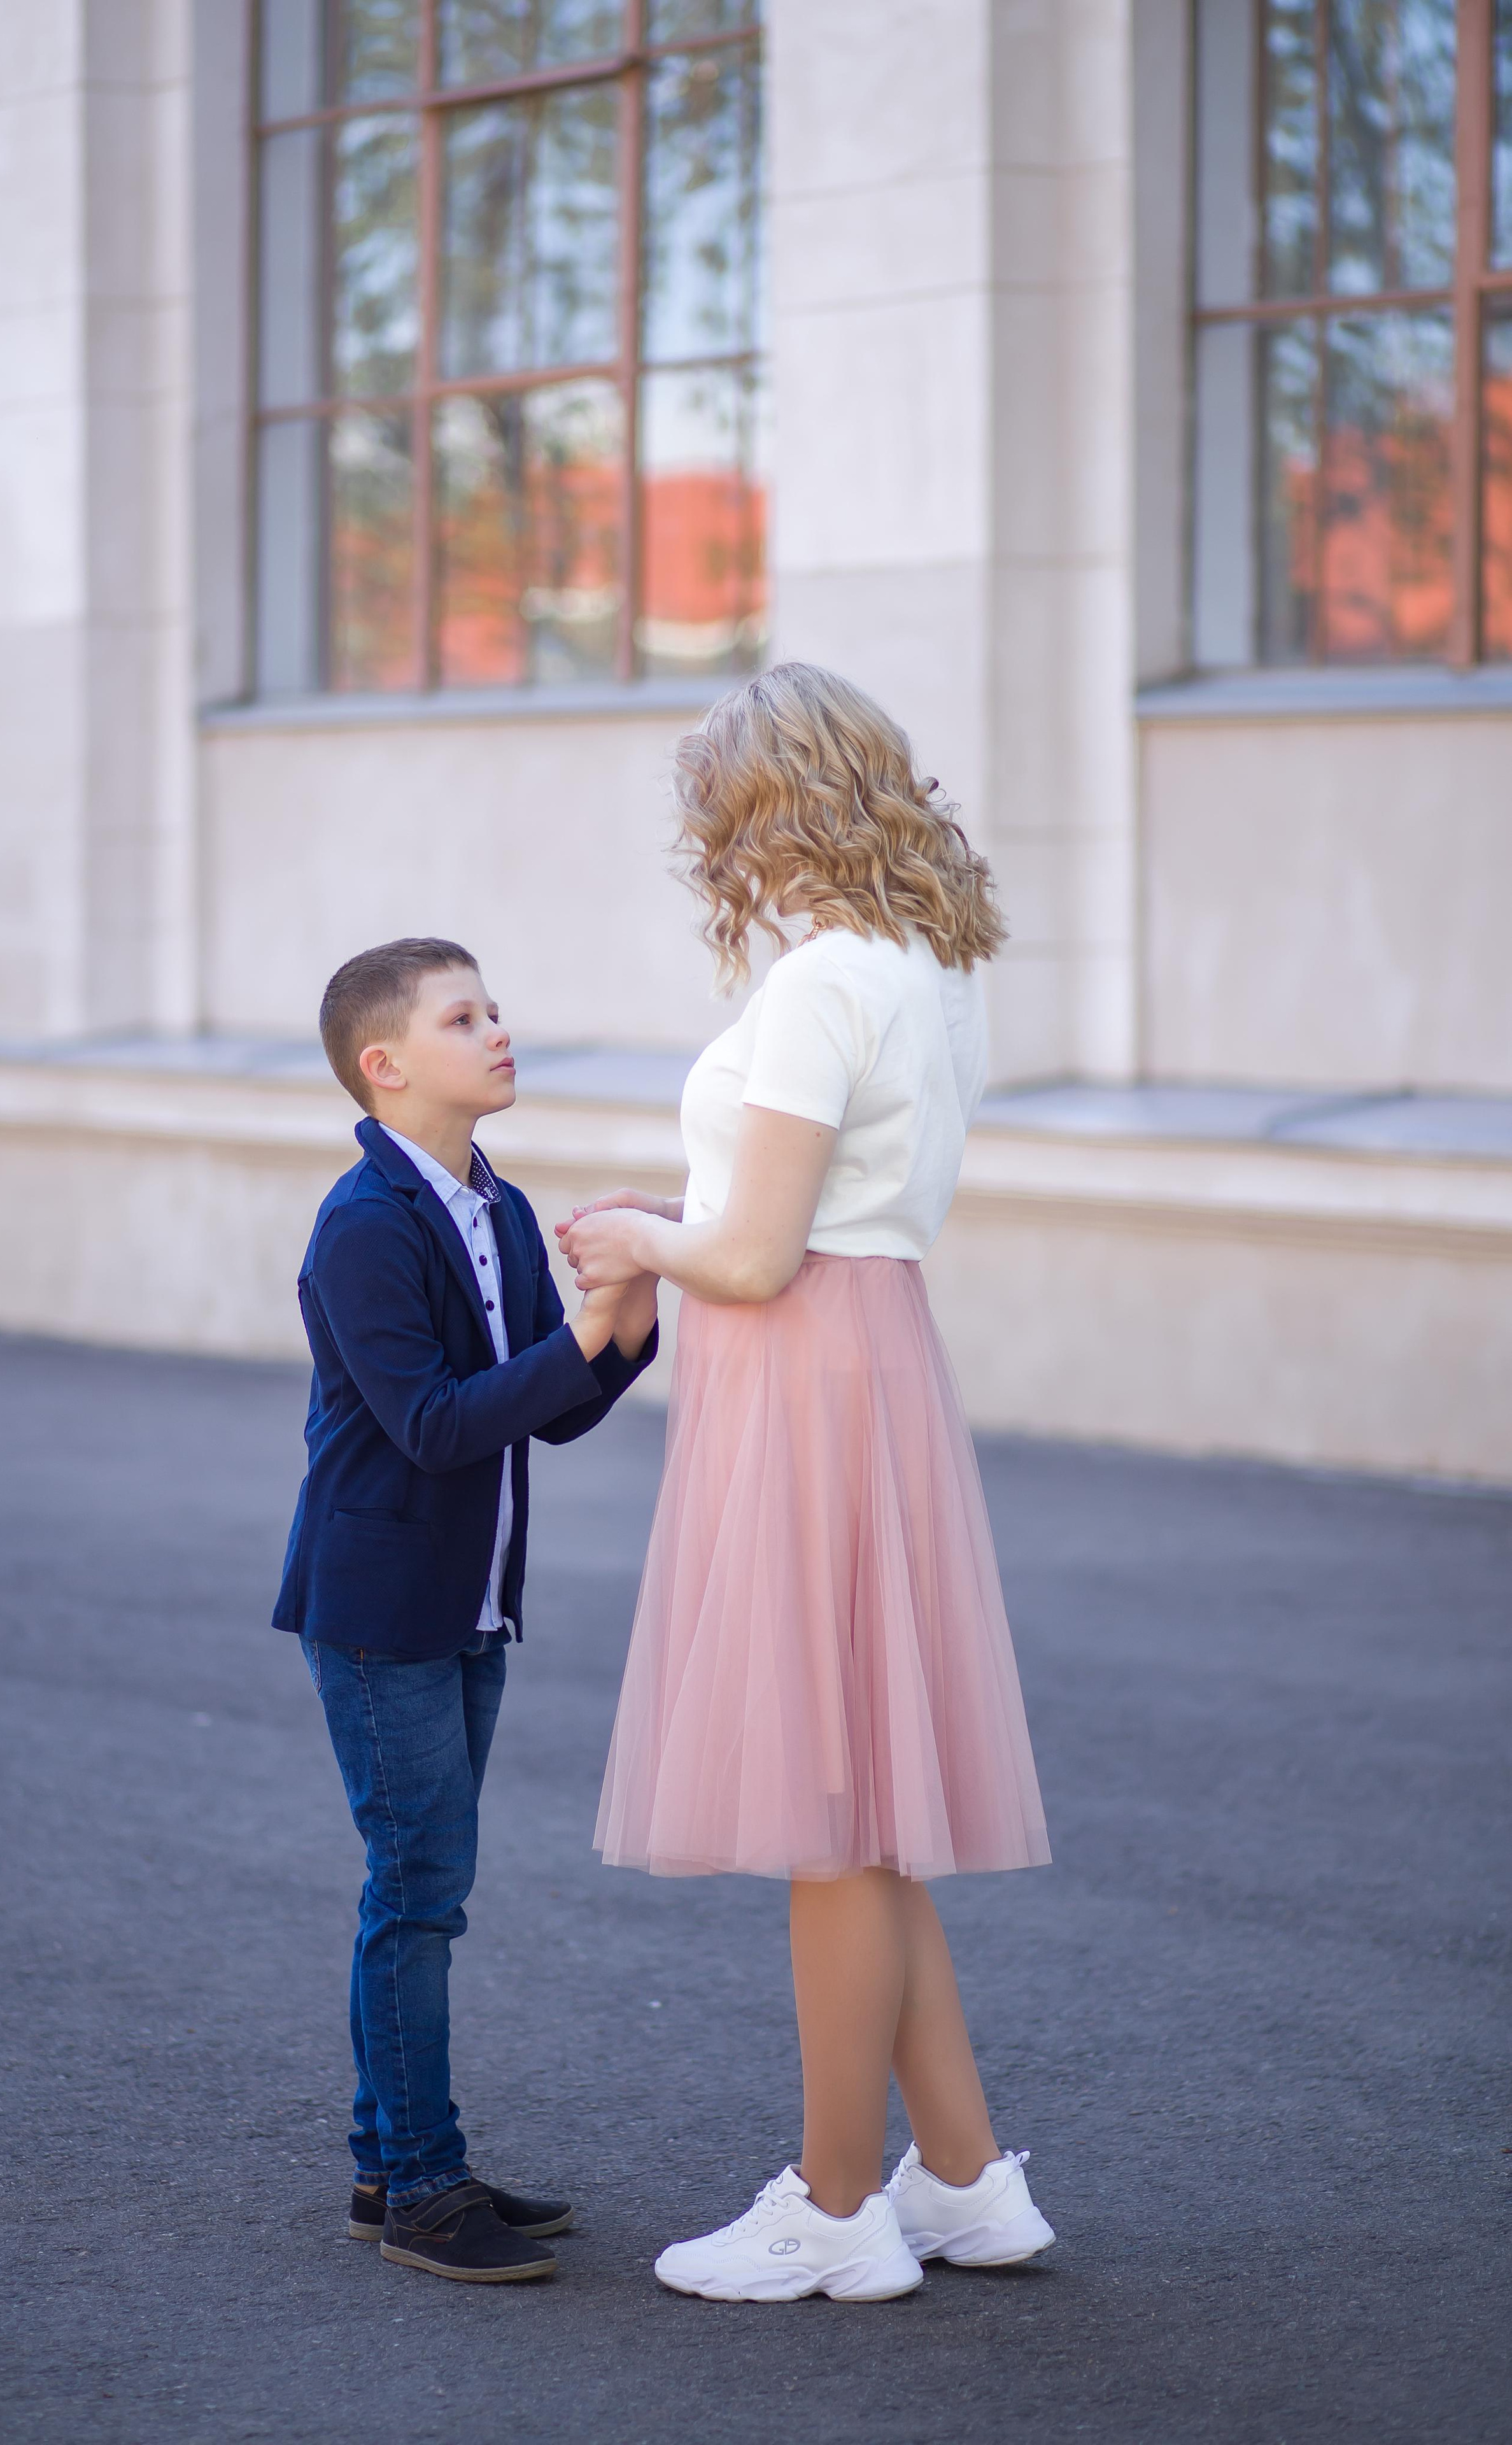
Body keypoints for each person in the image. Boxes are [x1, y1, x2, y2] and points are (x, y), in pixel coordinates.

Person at [557, 665, 1054, 2304]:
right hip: (870, 1357)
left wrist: (636, 1238)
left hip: (805, 1375)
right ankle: (965, 2182)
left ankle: (834, 2206)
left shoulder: (822, 980)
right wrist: (677, 1219)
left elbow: (755, 1257)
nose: (707, 841)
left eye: (716, 807)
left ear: (767, 803)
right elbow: (791, 1218)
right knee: (865, 1815)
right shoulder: (928, 965)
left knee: (829, 1820)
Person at [274, 937, 659, 2285]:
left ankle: (396, 2169)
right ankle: (425, 2190)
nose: (499, 1030)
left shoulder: (494, 1204)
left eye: (495, 1007)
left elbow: (541, 1416)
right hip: (378, 1607)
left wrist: (628, 1317)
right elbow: (437, 1429)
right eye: (464, 1016)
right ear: (385, 1067)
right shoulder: (364, 1225)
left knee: (424, 1887)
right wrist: (587, 1329)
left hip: (470, 1602)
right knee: (418, 1891)